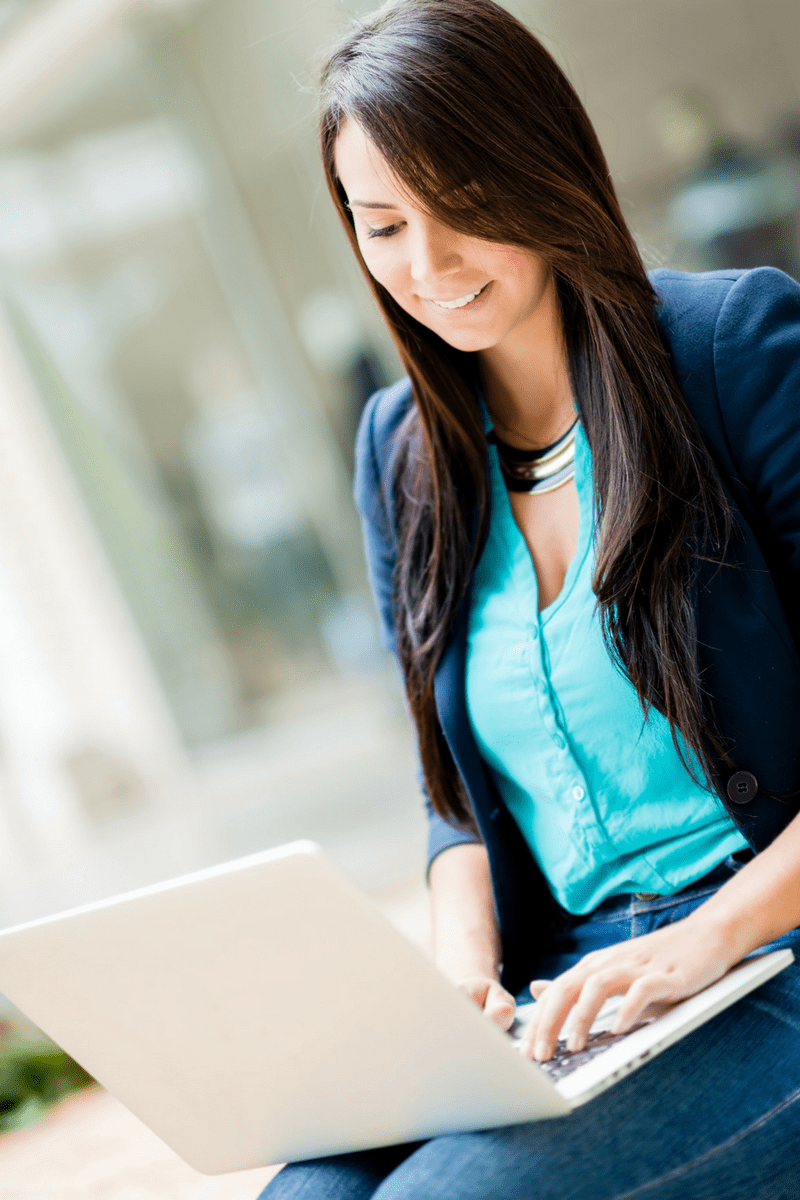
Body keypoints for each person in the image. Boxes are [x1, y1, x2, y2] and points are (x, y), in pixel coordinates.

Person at [261, 1, 800, 1196]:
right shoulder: (399, 453)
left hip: (765, 945)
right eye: (385, 225)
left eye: (463, 205)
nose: (430, 266)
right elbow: (451, 800)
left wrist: (703, 940)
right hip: (570, 984)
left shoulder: (733, 348)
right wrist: (460, 974)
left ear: (542, 169)